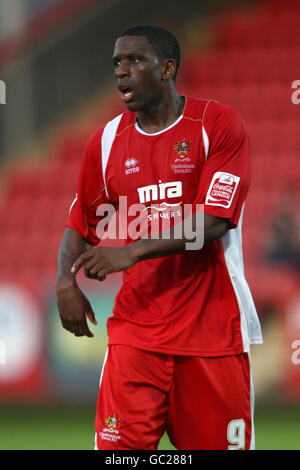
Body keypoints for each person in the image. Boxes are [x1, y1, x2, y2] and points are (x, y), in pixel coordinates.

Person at [55, 24, 262, 450]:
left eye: (134, 61)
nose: (121, 72)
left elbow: (214, 221)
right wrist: (64, 281)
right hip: (136, 335)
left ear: (167, 68)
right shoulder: (107, 142)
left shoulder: (217, 124)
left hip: (212, 334)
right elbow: (80, 223)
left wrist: (131, 251)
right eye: (116, 63)